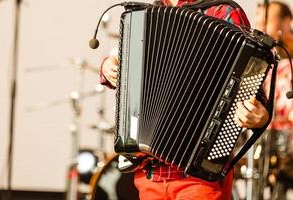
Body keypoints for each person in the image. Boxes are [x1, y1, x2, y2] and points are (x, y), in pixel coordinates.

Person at [100, 0, 270, 199]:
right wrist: (108, 68)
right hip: (151, 172)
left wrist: (260, 114)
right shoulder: (145, 15)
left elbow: (250, 78)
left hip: (198, 174)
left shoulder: (223, 12)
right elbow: (126, 61)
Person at [256, 1, 293, 196]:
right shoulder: (259, 62)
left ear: (285, 23)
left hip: (286, 151)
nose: (260, 27)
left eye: (266, 21)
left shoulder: (289, 61)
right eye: (258, 21)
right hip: (260, 146)